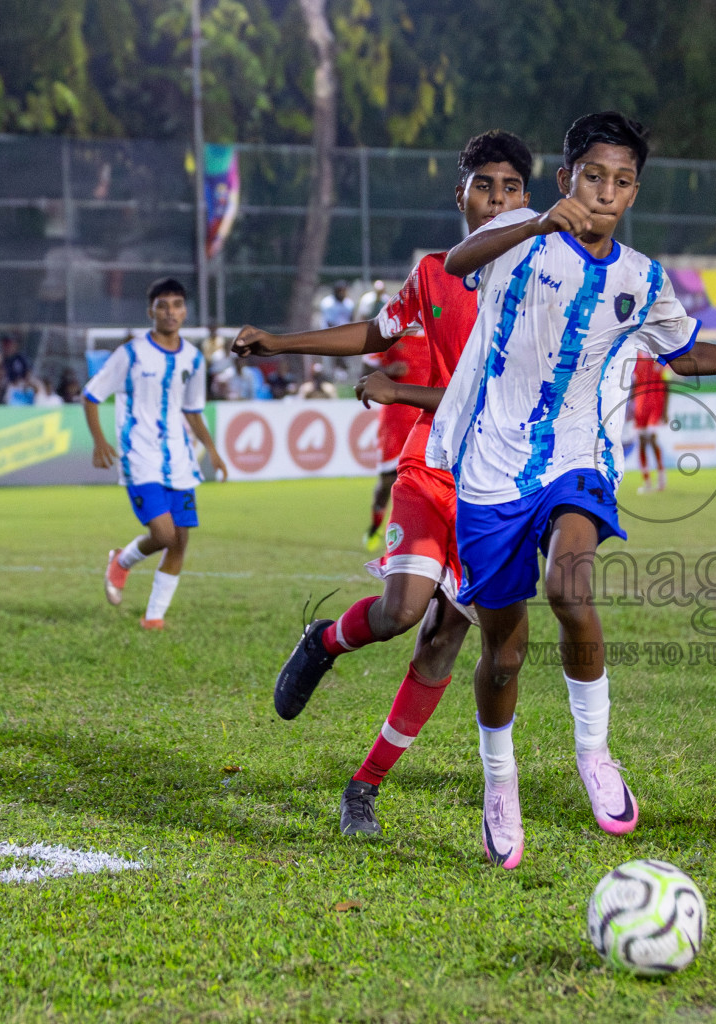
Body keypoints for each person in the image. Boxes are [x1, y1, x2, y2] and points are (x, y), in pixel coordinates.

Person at [424, 111, 716, 870]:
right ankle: (499, 784)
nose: (606, 192)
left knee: (571, 592)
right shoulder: (517, 243)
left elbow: (688, 355)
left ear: (636, 191)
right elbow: (456, 260)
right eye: (592, 176)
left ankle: (595, 753)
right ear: (567, 178)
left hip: (580, 456)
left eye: (622, 180)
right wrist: (534, 219)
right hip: (492, 468)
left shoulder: (643, 278)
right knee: (503, 652)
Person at [232, 129, 536, 838]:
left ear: (530, 197)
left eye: (510, 187)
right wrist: (280, 342)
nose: (496, 199)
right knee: (402, 612)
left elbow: (492, 396)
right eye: (483, 185)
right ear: (459, 194)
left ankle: (363, 787)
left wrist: (403, 394)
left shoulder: (547, 283)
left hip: (503, 486)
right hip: (433, 469)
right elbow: (376, 331)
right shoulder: (433, 274)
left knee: (441, 644)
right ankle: (325, 639)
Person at [85, 278, 229, 629]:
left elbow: (193, 410)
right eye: (163, 305)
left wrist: (212, 450)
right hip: (140, 456)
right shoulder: (130, 353)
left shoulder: (194, 359)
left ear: (185, 310)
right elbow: (91, 395)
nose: (171, 312)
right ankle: (121, 562)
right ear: (151, 311)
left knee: (180, 540)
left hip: (179, 458)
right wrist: (100, 441)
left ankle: (154, 617)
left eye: (177, 304)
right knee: (163, 535)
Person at [360, 324, 432, 551]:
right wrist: (389, 370)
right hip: (397, 416)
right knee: (388, 480)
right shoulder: (393, 329)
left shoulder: (438, 328)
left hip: (429, 414)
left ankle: (423, 534)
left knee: (431, 478)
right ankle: (375, 525)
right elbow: (366, 368)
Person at [630, 350, 668, 493]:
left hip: (655, 405)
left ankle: (661, 477)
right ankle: (647, 481)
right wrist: (631, 407)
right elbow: (633, 383)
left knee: (652, 439)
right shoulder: (636, 357)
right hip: (640, 407)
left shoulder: (660, 357)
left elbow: (667, 384)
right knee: (642, 442)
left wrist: (665, 411)